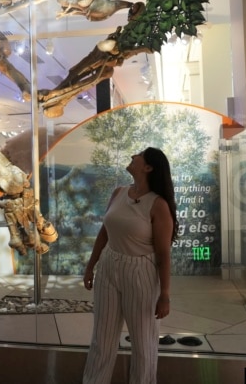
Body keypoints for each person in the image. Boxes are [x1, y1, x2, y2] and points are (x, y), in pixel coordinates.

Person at [82, 147, 178, 384]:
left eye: (138, 155)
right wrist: (91, 265)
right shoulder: (119, 193)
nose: (133, 156)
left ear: (148, 167)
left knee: (143, 343)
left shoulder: (158, 205)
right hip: (109, 267)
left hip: (141, 272)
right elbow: (104, 233)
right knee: (101, 339)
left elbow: (164, 254)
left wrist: (164, 294)